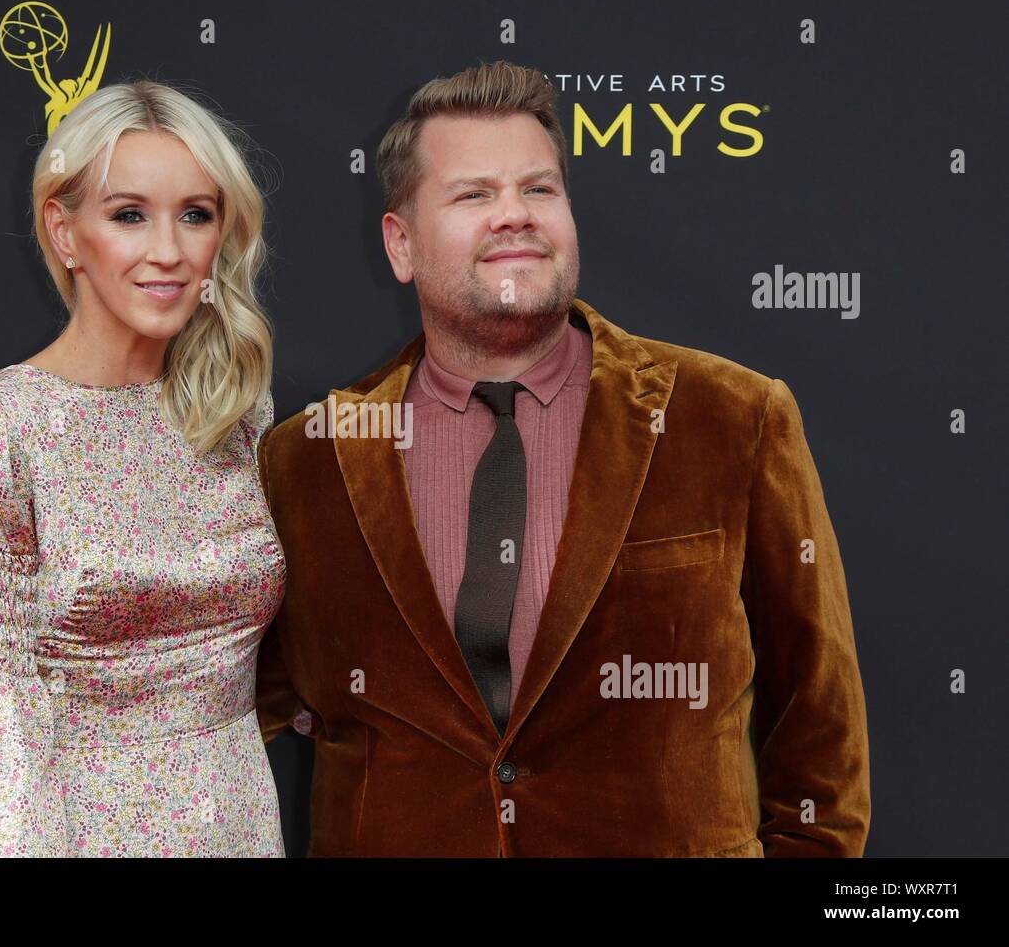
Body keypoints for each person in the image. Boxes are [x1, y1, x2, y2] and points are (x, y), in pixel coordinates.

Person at [255, 60, 870, 856]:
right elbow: (230, 705)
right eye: (474, 195)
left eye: (539, 190)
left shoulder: (733, 417)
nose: (514, 216)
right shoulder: (310, 459)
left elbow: (819, 722)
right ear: (400, 245)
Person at [0, 78, 285, 856]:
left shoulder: (239, 417)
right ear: (65, 231)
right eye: (129, 215)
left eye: (196, 215)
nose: (169, 251)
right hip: (76, 834)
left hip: (240, 825)